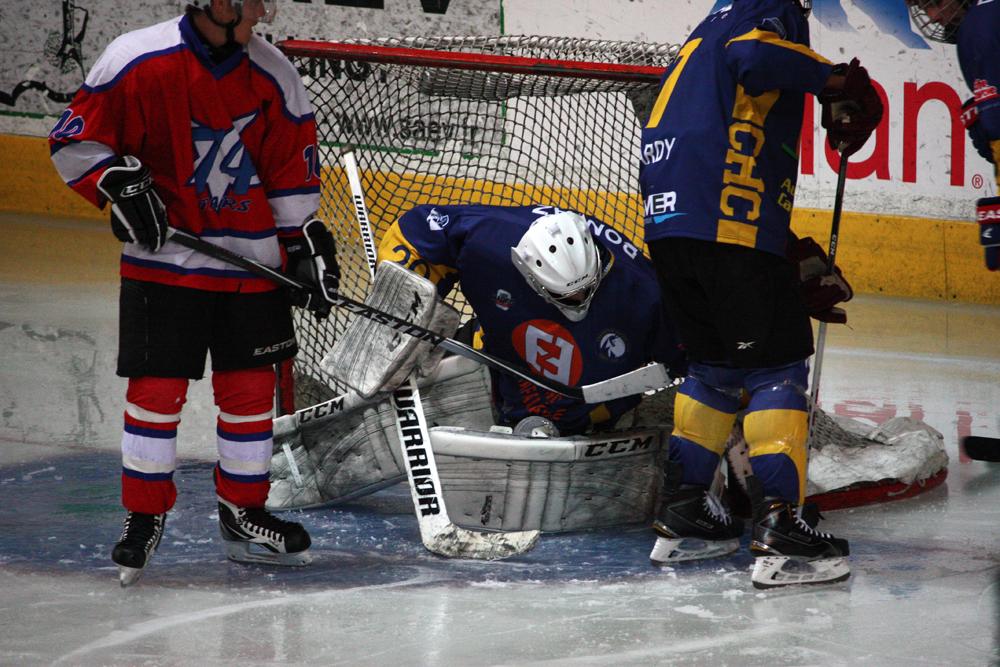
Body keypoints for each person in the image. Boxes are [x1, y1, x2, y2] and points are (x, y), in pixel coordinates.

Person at [48, 0, 339, 586]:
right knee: (155, 393)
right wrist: (114, 181)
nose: (264, 10)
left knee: (250, 395)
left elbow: (289, 170)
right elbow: (75, 140)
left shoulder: (274, 73)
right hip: (164, 266)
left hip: (253, 267)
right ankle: (143, 516)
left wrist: (304, 245)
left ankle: (243, 512)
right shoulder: (136, 59)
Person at [637, 0, 882, 588]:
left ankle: (686, 510)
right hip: (730, 225)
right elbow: (752, 56)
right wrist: (834, 80)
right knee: (777, 369)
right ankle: (781, 525)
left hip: (671, 228)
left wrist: (780, 251)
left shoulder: (710, 24)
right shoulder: (768, 8)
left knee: (714, 370)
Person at [376, 204, 684, 437]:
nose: (579, 301)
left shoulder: (645, 292)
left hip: (587, 414)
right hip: (494, 360)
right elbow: (415, 231)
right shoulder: (488, 241)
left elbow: (698, 360)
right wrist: (400, 316)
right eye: (565, 296)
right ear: (528, 275)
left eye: (587, 288)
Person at [905, 0, 1000, 270]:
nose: (932, 17)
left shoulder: (978, 26)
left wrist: (987, 127)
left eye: (935, 4)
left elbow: (996, 123)